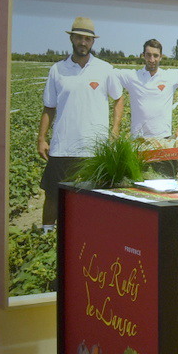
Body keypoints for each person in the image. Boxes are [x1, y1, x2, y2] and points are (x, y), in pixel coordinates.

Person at [36, 17, 123, 227]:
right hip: (62, 147)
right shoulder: (57, 69)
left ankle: (89, 236)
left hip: (93, 149)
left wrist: (115, 129)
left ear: (92, 42)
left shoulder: (104, 69)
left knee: (92, 199)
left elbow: (119, 98)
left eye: (87, 39)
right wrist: (41, 138)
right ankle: (47, 232)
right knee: (53, 195)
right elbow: (49, 107)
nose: (83, 42)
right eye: (79, 38)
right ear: (72, 39)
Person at [115, 39, 178, 177]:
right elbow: (107, 73)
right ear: (143, 55)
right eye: (148, 55)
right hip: (139, 142)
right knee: (138, 183)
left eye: (155, 55)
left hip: (163, 142)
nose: (152, 59)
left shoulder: (170, 76)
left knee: (166, 182)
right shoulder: (132, 76)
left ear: (161, 57)